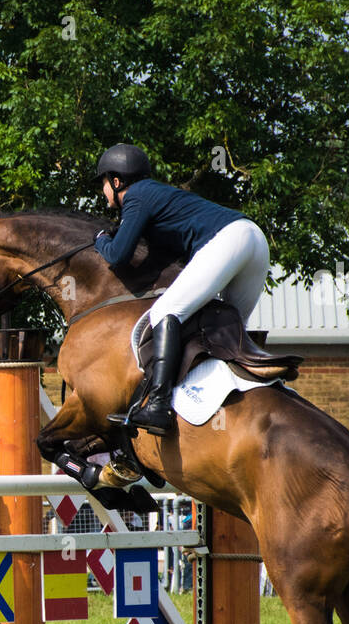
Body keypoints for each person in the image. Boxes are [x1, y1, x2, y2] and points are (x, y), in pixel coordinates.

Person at [93, 143, 270, 436]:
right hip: (254, 240)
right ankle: (251, 399)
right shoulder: (158, 196)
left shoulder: (136, 195)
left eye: (103, 183)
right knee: (228, 331)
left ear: (116, 181)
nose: (103, 191)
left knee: (165, 311)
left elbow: (116, 255)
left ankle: (158, 407)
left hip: (230, 240)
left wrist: (99, 238)